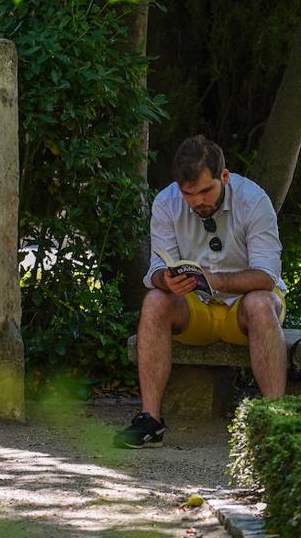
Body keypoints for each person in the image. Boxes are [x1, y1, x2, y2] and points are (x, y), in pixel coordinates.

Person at [114, 135, 287, 449]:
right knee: (154, 301)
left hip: (245, 310)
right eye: (188, 193)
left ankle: (274, 421)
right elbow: (154, 271)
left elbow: (266, 276)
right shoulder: (166, 202)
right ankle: (150, 421)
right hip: (198, 311)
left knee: (263, 302)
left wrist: (215, 279)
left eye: (206, 191)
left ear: (224, 176)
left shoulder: (253, 199)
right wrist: (166, 280)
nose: (197, 201)